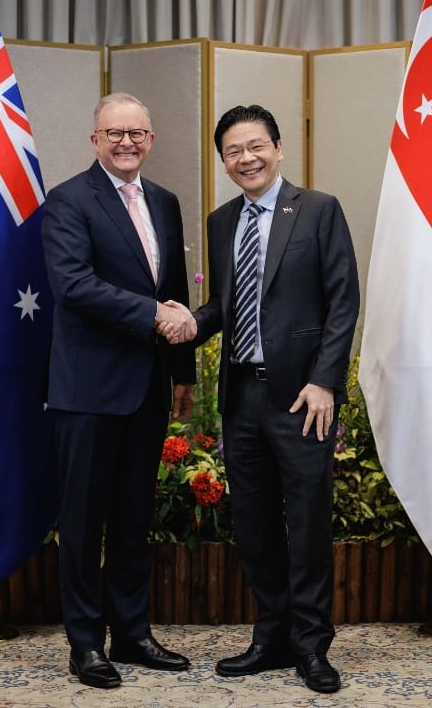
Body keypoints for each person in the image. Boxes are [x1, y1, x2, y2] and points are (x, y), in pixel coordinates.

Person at [162, 104, 360, 694]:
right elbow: (224, 304)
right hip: (242, 397)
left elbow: (342, 300)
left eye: (256, 146)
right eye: (232, 151)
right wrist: (189, 323)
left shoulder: (319, 210)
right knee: (252, 526)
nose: (245, 158)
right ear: (223, 160)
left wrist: (325, 380)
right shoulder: (222, 221)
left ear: (277, 148)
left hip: (302, 396)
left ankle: (311, 645)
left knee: (306, 523)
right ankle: (269, 638)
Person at [41, 92, 198, 689]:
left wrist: (182, 370)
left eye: (137, 133)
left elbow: (176, 290)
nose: (127, 143)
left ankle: (132, 634)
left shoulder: (164, 201)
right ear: (94, 139)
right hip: (87, 389)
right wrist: (154, 317)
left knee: (134, 518)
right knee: (83, 523)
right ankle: (86, 644)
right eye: (115, 133)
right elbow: (73, 285)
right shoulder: (69, 200)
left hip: (149, 387)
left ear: (151, 139)